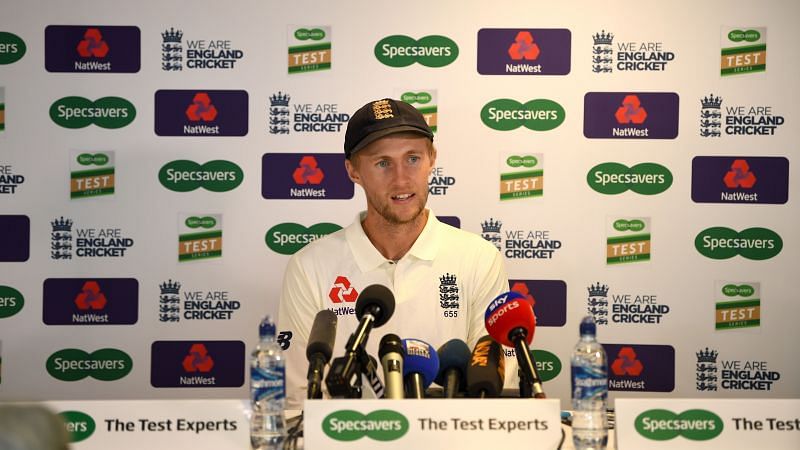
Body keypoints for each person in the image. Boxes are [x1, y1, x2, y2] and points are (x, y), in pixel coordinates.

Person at [277, 98, 510, 409]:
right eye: (382, 163)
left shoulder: (479, 258)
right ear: (353, 171)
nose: (401, 179)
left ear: (432, 158)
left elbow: (494, 389)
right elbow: (299, 396)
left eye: (412, 158)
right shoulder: (310, 266)